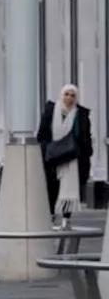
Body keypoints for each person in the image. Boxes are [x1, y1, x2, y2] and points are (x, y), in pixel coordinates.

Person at [37, 84, 94, 223]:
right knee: (51, 186)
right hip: (52, 157)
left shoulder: (80, 114)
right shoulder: (51, 111)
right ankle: (50, 214)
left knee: (69, 186)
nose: (69, 98)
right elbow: (42, 133)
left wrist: (85, 152)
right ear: (62, 95)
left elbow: (85, 135)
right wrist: (47, 150)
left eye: (73, 95)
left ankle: (66, 218)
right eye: (66, 94)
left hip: (72, 158)